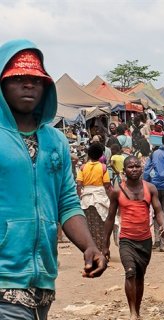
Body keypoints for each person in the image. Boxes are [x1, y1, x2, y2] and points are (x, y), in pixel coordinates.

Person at [0, 39, 106, 320]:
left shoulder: (56, 141)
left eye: (36, 79)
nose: (28, 85)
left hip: (43, 281)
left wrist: (90, 245)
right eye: (18, 79)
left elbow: (67, 202)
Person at [103, 156, 164, 320]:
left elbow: (158, 210)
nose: (134, 169)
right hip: (126, 240)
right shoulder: (117, 191)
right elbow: (110, 218)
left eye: (137, 166)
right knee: (130, 272)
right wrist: (105, 245)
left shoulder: (150, 188)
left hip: (145, 240)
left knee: (140, 276)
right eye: (130, 167)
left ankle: (137, 310)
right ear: (124, 171)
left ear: (142, 168)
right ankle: (132, 312)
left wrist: (163, 224)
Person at [76, 143, 111, 251]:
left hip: (86, 199)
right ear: (101, 155)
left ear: (89, 155)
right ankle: (103, 248)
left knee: (89, 225)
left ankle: (92, 248)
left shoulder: (82, 168)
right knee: (103, 223)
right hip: (100, 197)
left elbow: (79, 185)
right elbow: (107, 185)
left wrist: (80, 197)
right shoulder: (103, 168)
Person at [144, 133, 164, 251]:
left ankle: (157, 240)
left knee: (156, 212)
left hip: (155, 186)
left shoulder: (155, 153)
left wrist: (145, 183)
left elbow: (147, 170)